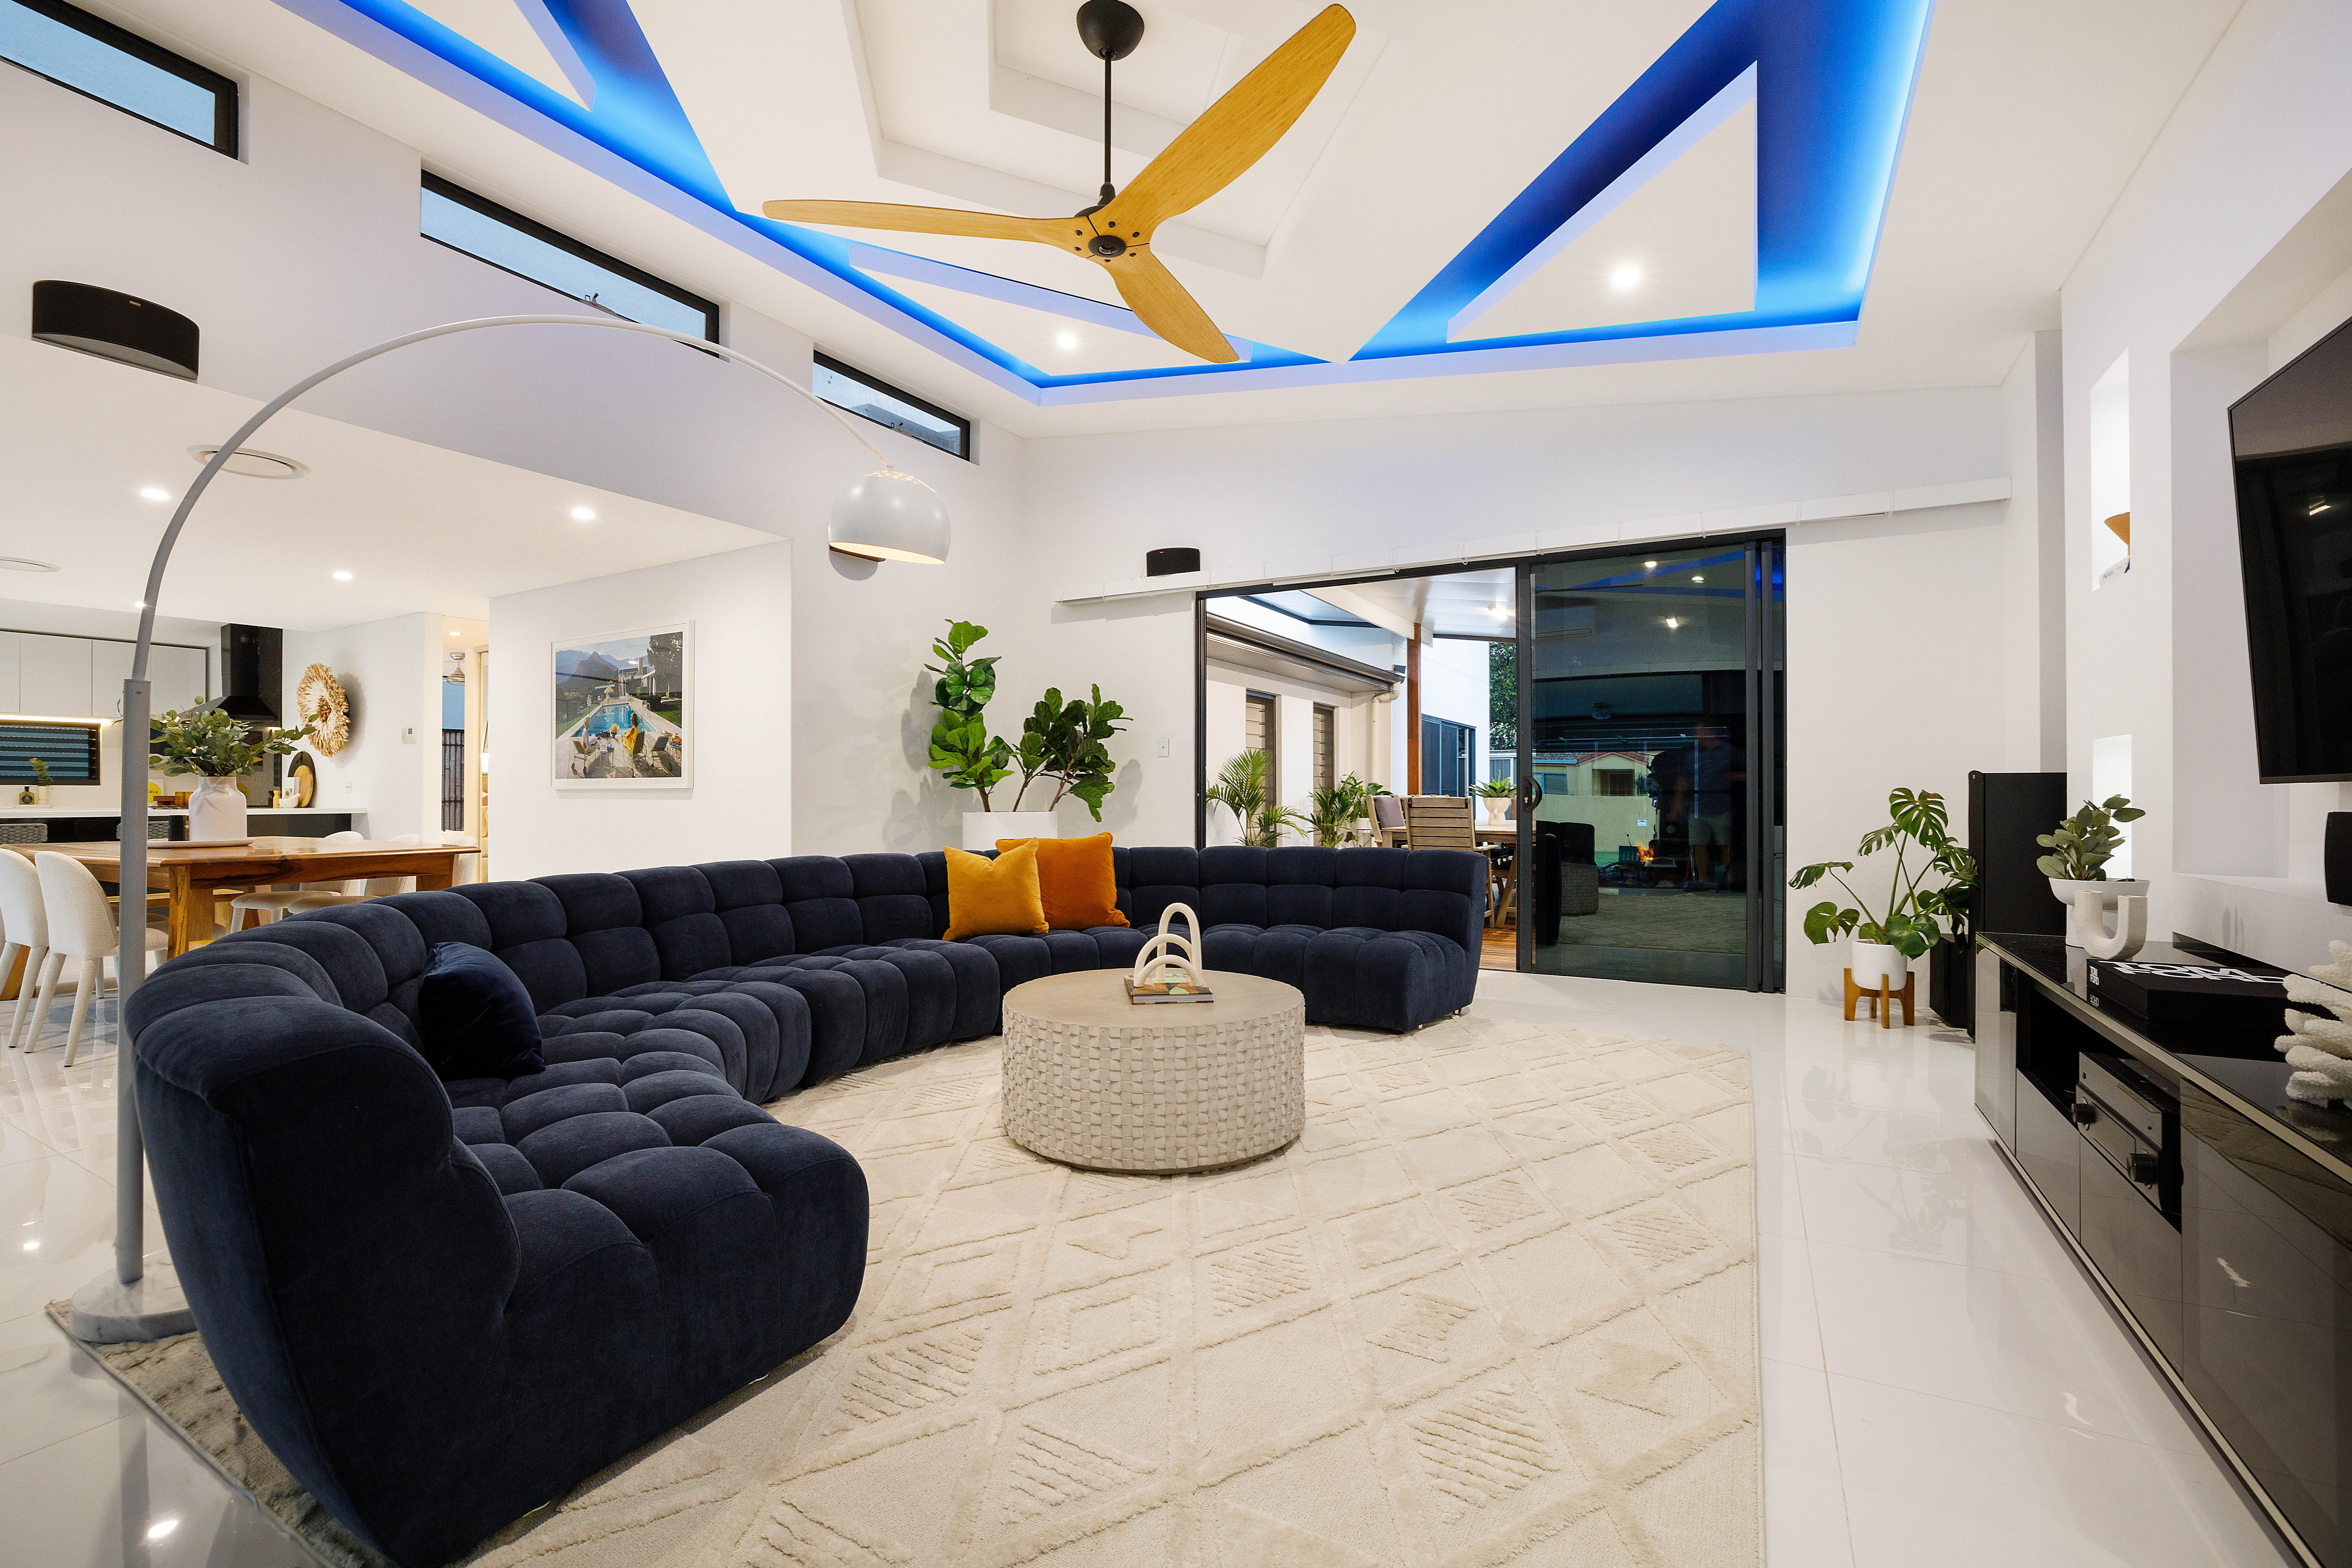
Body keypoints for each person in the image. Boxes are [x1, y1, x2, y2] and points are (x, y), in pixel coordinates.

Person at [1688, 727, 1745, 887]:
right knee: (1699, 844)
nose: (1696, 736)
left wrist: (1727, 777)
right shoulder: (1693, 755)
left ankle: (1732, 881)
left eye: (1699, 732)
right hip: (1698, 808)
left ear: (1709, 732)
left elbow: (1751, 773)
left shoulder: (1729, 751)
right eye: (1695, 733)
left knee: (1725, 845)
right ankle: (1702, 881)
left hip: (1722, 807)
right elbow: (1684, 779)